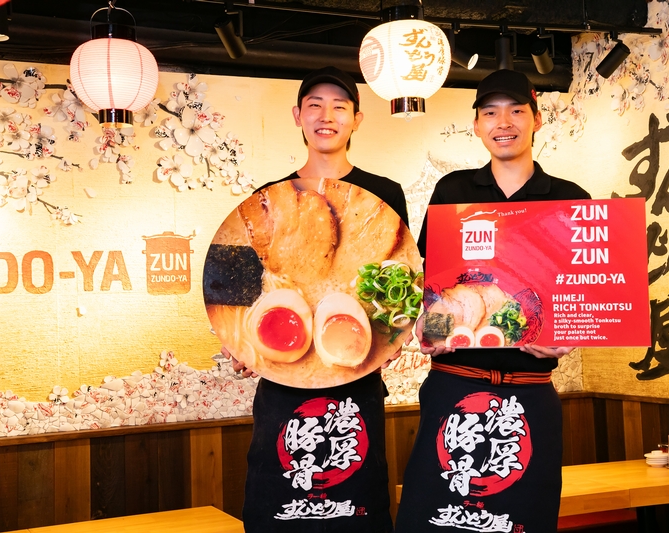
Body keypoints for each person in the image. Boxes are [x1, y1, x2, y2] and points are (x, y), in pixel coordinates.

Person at [394, 69, 591, 533]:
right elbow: (433, 282)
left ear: (537, 119)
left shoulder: (570, 198)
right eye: (490, 113)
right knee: (434, 521)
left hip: (531, 389)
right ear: (477, 125)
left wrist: (569, 336)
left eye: (516, 110)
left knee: (524, 519)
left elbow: (582, 292)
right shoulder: (453, 192)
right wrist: (431, 333)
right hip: (453, 386)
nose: (504, 122)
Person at [225, 66, 408, 533]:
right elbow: (235, 292)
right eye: (315, 106)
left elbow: (402, 281)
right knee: (278, 512)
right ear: (297, 116)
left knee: (358, 513)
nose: (327, 116)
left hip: (356, 377)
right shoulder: (269, 197)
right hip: (283, 382)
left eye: (339, 107)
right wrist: (240, 345)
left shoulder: (385, 194)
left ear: (357, 119)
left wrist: (396, 335)